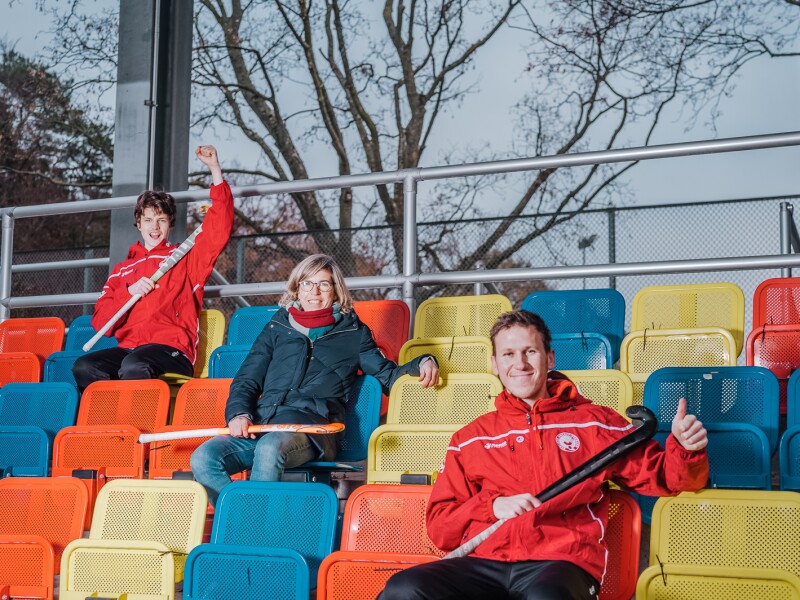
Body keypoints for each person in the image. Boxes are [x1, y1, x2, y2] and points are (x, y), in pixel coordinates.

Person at [379, 309, 709, 600]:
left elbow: (670, 478)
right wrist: (491, 506)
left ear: (549, 358)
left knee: (544, 596)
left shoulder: (594, 422)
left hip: (561, 563)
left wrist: (686, 447)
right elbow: (440, 528)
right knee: (403, 589)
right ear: (494, 363)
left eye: (529, 352)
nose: (519, 364)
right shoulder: (470, 438)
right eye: (508, 354)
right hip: (484, 563)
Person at [190, 254, 439, 506]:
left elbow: (388, 375)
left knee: (269, 449)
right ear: (297, 289)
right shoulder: (277, 327)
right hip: (265, 424)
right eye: (307, 284)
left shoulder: (354, 333)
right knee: (204, 457)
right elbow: (246, 379)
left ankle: (258, 532)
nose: (314, 292)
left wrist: (422, 362)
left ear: (335, 291)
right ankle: (244, 519)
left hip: (313, 431)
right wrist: (239, 414)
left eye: (323, 284)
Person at [72, 145, 234, 392]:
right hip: (129, 350)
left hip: (172, 351)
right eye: (148, 219)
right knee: (85, 366)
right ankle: (110, 424)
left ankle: (140, 427)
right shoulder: (122, 270)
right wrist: (130, 292)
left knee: (135, 366)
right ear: (138, 223)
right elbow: (102, 323)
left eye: (161, 220)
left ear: (170, 224)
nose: (154, 227)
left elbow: (219, 226)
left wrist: (215, 170)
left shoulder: (187, 258)